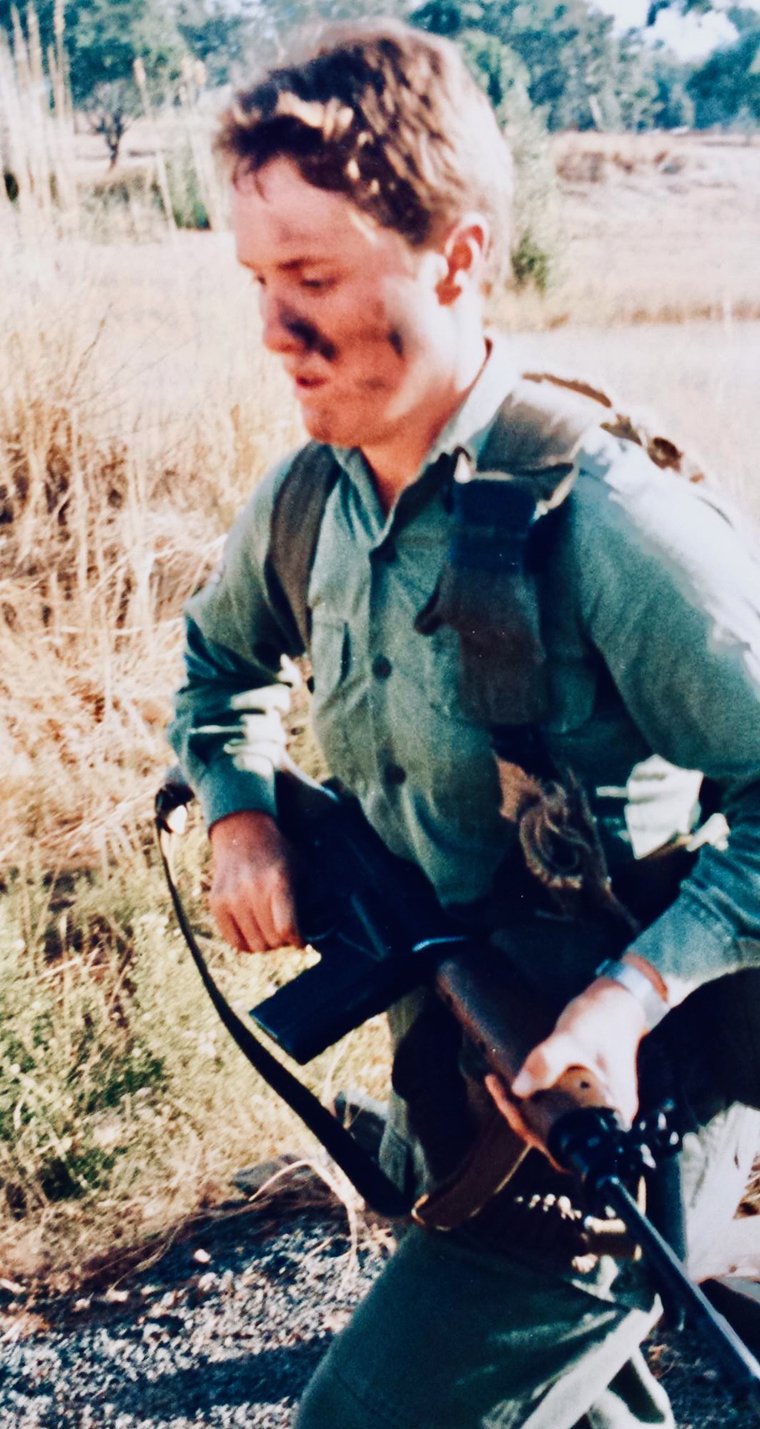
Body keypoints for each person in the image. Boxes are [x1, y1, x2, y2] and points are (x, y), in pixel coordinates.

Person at [169, 20, 760, 1427]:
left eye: (312, 277)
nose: (271, 329)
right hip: (459, 1069)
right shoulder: (314, 497)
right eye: (258, 280)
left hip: (624, 1109)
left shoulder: (605, 525)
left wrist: (626, 999)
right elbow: (214, 658)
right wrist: (241, 796)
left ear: (458, 257)